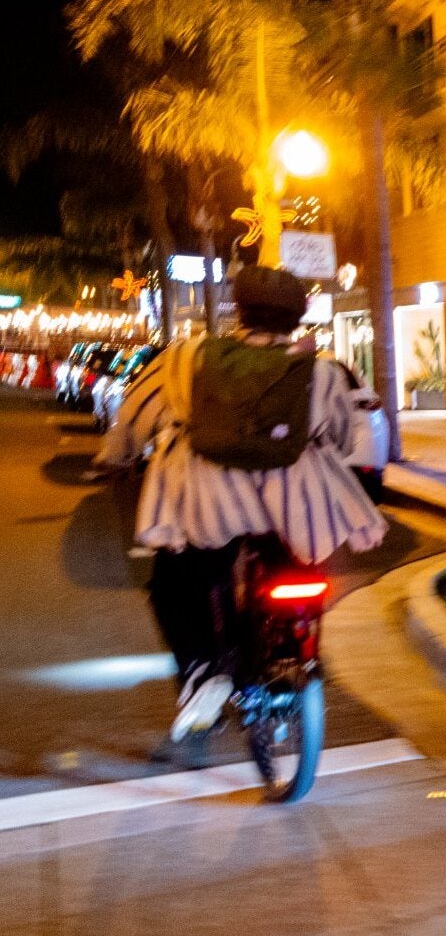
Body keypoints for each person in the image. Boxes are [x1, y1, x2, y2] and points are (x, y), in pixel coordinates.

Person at [98, 266, 388, 743]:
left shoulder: (185, 358)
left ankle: (203, 673)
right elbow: (339, 435)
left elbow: (134, 414)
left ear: (241, 310)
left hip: (209, 505)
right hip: (293, 508)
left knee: (176, 584)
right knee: (297, 568)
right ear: (297, 318)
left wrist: (116, 457)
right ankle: (293, 654)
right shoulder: (320, 371)